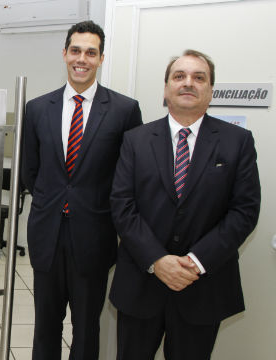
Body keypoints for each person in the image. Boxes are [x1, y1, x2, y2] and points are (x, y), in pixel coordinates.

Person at [109, 49, 261, 360]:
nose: (188, 82)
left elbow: (244, 211)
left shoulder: (238, 141)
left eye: (198, 77)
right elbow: (122, 205)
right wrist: (157, 260)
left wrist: (196, 261)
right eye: (179, 76)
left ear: (211, 90)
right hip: (141, 283)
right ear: (166, 89)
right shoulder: (135, 140)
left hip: (203, 286)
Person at [21, 20, 142, 360]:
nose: (82, 59)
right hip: (47, 235)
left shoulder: (124, 110)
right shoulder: (37, 109)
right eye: (76, 50)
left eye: (91, 53)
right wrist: (55, 201)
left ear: (101, 58)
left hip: (94, 237)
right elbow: (30, 170)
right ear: (64, 53)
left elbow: (129, 177)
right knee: (45, 326)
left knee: (87, 328)